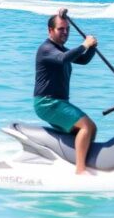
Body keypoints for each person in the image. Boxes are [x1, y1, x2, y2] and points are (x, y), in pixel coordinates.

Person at [34, 9, 98, 174]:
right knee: (87, 127)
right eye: (60, 29)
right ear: (50, 30)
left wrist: (91, 48)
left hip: (59, 102)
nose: (65, 32)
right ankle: (80, 170)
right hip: (48, 102)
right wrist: (85, 45)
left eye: (67, 29)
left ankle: (80, 162)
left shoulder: (61, 49)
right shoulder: (46, 49)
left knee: (88, 130)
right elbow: (64, 59)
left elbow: (82, 60)